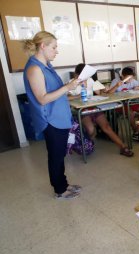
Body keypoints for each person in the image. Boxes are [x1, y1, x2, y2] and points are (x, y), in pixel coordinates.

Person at [23, 31, 80, 200]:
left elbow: (55, 91)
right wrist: (67, 87)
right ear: (43, 46)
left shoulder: (46, 65)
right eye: (54, 47)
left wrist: (71, 86)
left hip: (59, 118)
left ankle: (63, 183)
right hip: (50, 120)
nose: (56, 51)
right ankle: (60, 190)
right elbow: (42, 99)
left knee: (60, 153)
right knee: (55, 156)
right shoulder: (34, 69)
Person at [69, 64, 133, 157]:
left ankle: (123, 147)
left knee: (106, 127)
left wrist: (103, 90)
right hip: (82, 110)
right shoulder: (72, 82)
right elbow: (66, 97)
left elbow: (99, 93)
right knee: (91, 130)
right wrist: (78, 96)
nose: (86, 78)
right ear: (78, 74)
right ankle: (87, 143)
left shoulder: (90, 80)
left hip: (93, 107)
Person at [107, 67, 139, 142]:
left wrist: (138, 87)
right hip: (120, 104)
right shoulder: (116, 81)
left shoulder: (133, 81)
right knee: (130, 112)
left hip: (131, 102)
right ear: (122, 76)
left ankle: (136, 132)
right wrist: (116, 86)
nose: (130, 80)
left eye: (131, 78)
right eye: (128, 78)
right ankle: (136, 133)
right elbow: (109, 94)